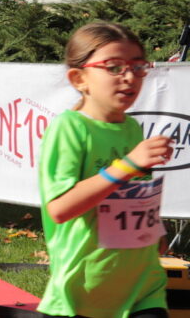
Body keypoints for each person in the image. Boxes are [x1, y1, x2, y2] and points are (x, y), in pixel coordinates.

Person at [38, 21, 172, 318]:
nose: (129, 77)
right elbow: (59, 209)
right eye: (114, 67)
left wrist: (153, 230)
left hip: (142, 289)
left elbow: (133, 197)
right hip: (83, 294)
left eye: (138, 67)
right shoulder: (69, 128)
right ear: (79, 78)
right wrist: (126, 166)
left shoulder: (133, 128)